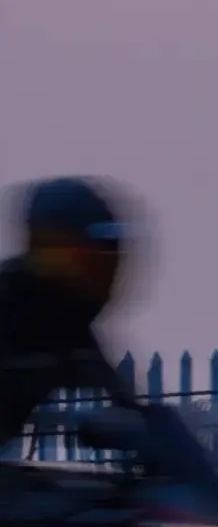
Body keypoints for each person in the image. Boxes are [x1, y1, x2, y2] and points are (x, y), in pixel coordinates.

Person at [0, 176, 136, 452]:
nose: (105, 261)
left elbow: (123, 397)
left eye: (109, 250)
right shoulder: (11, 307)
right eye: (89, 251)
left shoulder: (68, 322)